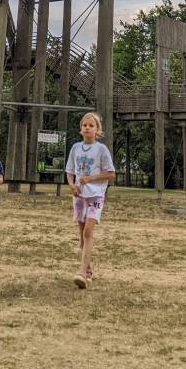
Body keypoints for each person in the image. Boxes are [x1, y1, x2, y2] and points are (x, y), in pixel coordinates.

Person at [65, 111, 115, 289]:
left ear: (97, 130)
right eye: (84, 125)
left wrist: (91, 178)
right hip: (79, 196)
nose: (87, 128)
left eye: (91, 125)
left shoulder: (101, 149)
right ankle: (88, 271)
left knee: (88, 231)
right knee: (82, 235)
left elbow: (111, 174)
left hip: (96, 195)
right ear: (81, 129)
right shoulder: (75, 148)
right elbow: (69, 170)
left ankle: (81, 272)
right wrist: (71, 185)